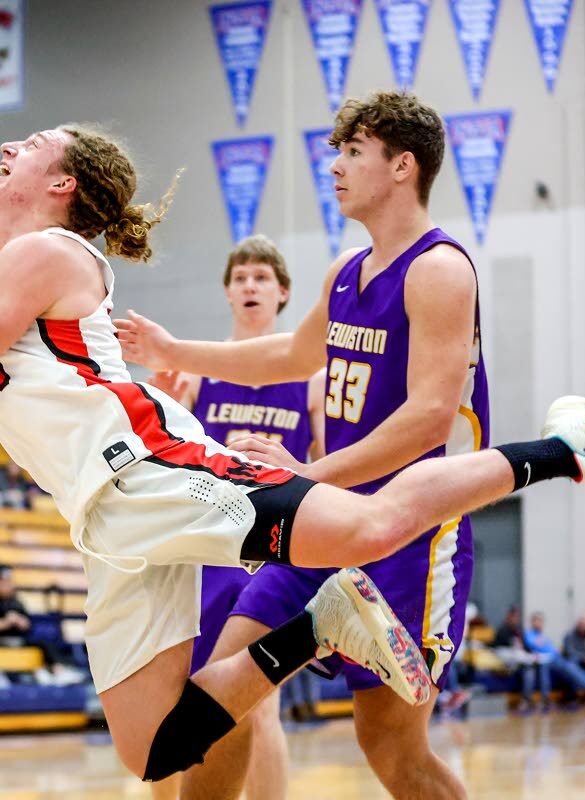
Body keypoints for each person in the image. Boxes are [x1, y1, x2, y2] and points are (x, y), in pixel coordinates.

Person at [0, 122, 585, 783]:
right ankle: (314, 630)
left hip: (151, 468)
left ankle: (572, 446)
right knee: (155, 750)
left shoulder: (49, 255)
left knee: (370, 527)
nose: (9, 146)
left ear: (62, 186)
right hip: (104, 523)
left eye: (32, 143)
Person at [118, 92, 489, 799]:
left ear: (403, 166)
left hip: (410, 532)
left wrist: (309, 475)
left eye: (354, 152)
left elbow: (429, 420)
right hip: (326, 527)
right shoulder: (346, 271)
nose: (336, 167)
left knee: (392, 748)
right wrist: (174, 350)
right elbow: (290, 354)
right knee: (220, 692)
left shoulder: (440, 270)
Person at [145, 233, 323, 800]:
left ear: (283, 293)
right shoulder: (198, 373)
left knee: (258, 700)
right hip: (207, 549)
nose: (250, 286)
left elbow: (328, 470)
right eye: (241, 278)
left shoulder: (311, 379)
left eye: (262, 277)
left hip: (274, 550)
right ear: (226, 292)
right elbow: (158, 455)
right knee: (178, 700)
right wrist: (159, 400)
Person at [524, 612, 585, 707]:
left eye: (541, 621)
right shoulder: (529, 635)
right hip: (548, 661)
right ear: (532, 622)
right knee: (574, 670)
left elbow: (552, 649)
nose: (540, 623)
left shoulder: (543, 636)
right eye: (537, 621)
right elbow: (535, 647)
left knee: (577, 671)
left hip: (556, 659)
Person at [492, 607, 545, 711]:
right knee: (520, 658)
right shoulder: (502, 630)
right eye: (514, 617)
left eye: (517, 618)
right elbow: (497, 646)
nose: (515, 620)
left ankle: (527, 700)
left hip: (520, 662)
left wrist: (532, 654)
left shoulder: (519, 631)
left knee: (529, 670)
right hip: (506, 660)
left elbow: (525, 647)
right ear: (508, 617)